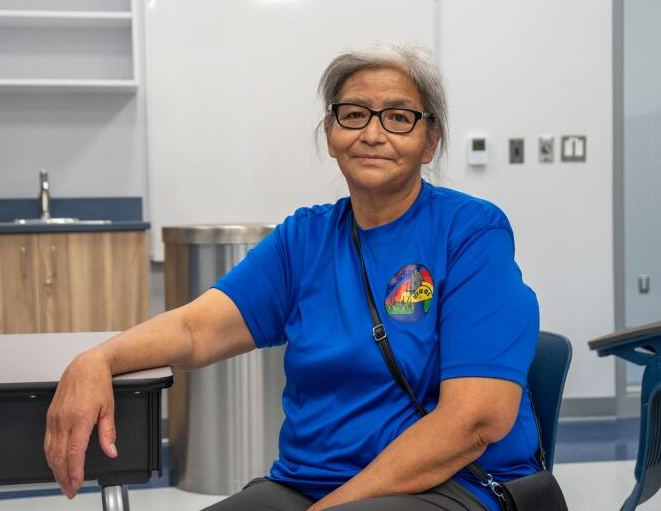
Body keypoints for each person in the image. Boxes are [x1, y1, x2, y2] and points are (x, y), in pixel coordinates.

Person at [45, 45, 540, 511]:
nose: (372, 133)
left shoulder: (470, 232)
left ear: (429, 142)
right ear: (330, 133)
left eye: (398, 116)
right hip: (309, 483)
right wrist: (98, 359)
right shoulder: (304, 238)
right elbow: (194, 329)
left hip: (450, 483)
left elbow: (474, 421)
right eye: (353, 114)